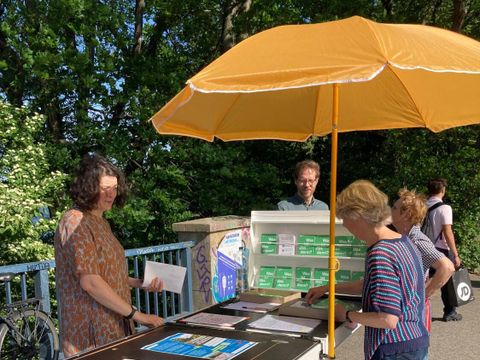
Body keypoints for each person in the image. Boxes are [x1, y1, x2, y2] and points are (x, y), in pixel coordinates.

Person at [54, 154, 164, 357]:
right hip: (90, 335)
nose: (111, 194)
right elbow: (91, 282)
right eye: (105, 188)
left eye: (114, 188)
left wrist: (140, 283)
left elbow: (107, 274)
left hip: (114, 326)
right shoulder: (74, 221)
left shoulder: (102, 223)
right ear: (88, 187)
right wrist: (138, 315)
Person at [306, 180, 429, 360]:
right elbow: (371, 284)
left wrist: (347, 315)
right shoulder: (403, 241)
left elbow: (388, 319)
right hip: (415, 341)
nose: (348, 229)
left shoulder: (381, 253)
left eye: (346, 221)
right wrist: (327, 288)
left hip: (393, 349)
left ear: (359, 216)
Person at [391, 188, 454, 332]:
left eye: (394, 208)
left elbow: (447, 267)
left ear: (406, 215)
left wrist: (423, 295)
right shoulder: (405, 237)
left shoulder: (417, 240)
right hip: (405, 310)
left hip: (413, 313)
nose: (390, 210)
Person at [425, 178, 462, 321]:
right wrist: (455, 254)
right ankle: (450, 312)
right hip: (441, 250)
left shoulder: (421, 206)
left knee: (424, 280)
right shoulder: (445, 208)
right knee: (446, 282)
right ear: (443, 190)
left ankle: (415, 308)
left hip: (424, 247)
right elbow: (447, 232)